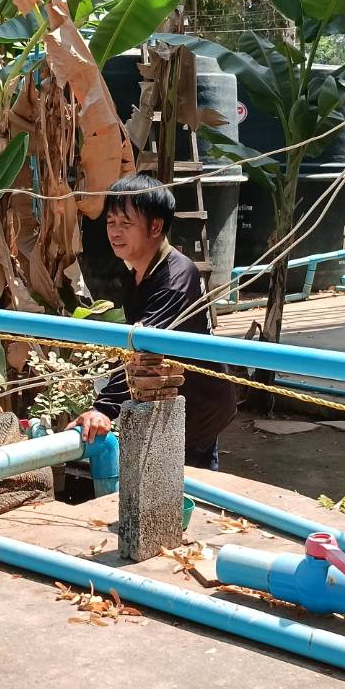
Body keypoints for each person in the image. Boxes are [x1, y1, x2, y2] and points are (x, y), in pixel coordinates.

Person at [71, 174, 238, 469]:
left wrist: (103, 409)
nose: (115, 232)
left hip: (198, 406)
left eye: (126, 223)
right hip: (171, 400)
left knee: (189, 485)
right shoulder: (135, 272)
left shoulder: (176, 277)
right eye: (110, 222)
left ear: (155, 226)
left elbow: (144, 351)